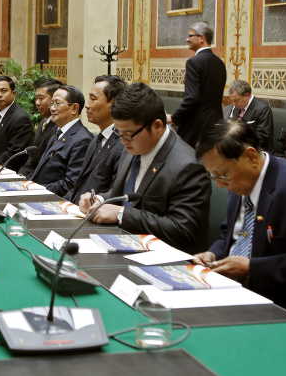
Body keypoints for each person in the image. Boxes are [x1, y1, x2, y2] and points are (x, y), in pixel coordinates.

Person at [193, 119, 286, 324]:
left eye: (222, 175)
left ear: (250, 157)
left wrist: (253, 268)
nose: (220, 185)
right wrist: (214, 253)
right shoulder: (239, 181)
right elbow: (230, 236)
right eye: (213, 177)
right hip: (230, 296)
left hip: (284, 311)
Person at [81, 82, 210, 254]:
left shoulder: (187, 166)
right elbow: (128, 194)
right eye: (119, 133)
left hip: (161, 259)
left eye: (127, 135)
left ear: (157, 125)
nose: (122, 141)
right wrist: (100, 200)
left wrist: (122, 214)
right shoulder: (132, 147)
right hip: (120, 244)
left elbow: (183, 230)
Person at [66, 75, 127, 204]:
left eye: (93, 99)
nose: (87, 105)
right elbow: (80, 185)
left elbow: (116, 193)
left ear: (114, 104)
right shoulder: (96, 140)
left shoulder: (124, 145)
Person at [168, 21, 226, 148]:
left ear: (201, 38)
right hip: (216, 125)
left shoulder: (193, 62)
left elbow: (192, 98)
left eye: (190, 36)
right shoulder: (220, 63)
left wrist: (174, 118)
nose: (186, 39)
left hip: (195, 129)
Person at [29, 85, 93, 196]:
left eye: (58, 103)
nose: (52, 108)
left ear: (74, 108)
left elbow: (70, 183)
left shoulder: (83, 139)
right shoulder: (58, 132)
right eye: (52, 103)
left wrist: (36, 189)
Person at [0, 75, 33, 172]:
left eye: (4, 91)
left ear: (13, 93)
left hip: (7, 172)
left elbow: (14, 154)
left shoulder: (21, 118)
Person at [18, 78, 62, 177]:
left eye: (41, 98)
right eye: (36, 98)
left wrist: (28, 179)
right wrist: (21, 174)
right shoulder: (43, 122)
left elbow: (47, 165)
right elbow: (32, 156)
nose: (37, 103)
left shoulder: (58, 127)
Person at [223, 79, 274, 152]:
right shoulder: (230, 109)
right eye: (232, 100)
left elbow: (262, 138)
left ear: (247, 95)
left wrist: (236, 144)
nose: (234, 103)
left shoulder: (263, 110)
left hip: (256, 153)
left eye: (236, 100)